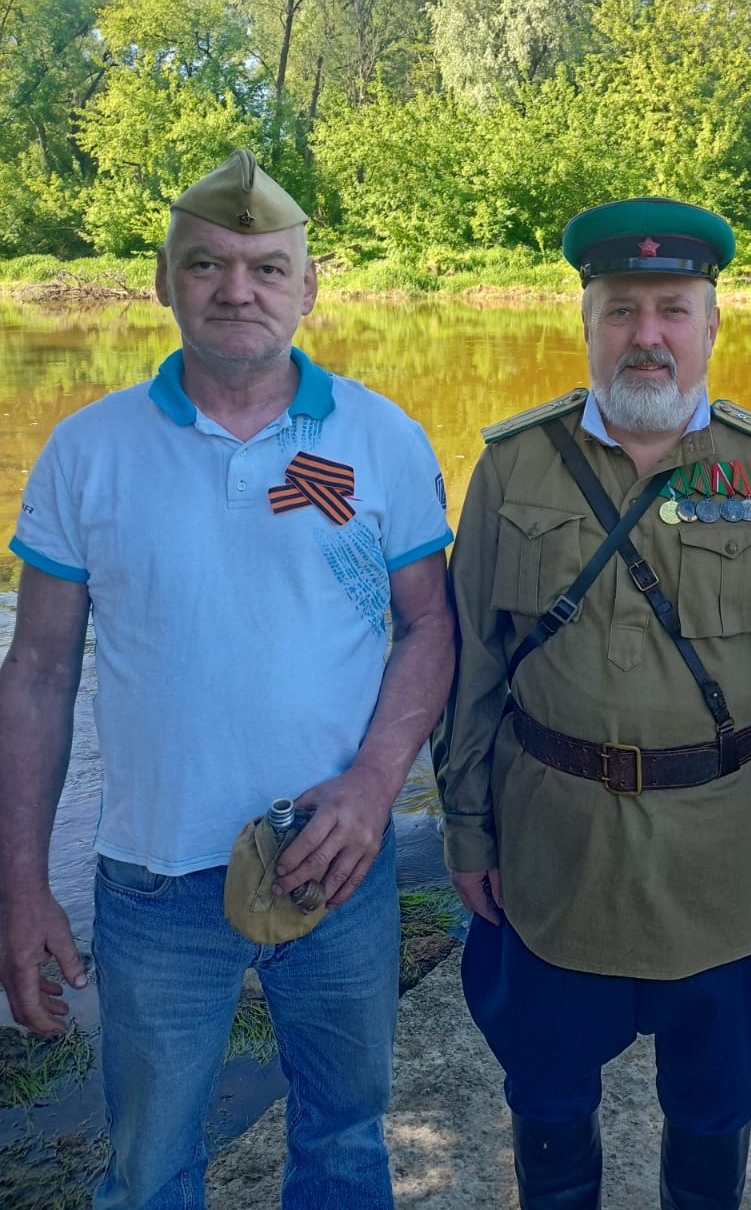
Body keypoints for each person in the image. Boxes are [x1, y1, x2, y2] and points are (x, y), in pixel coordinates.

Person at [0, 150, 456, 1210]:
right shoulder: (85, 450)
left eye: (266, 267)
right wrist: (21, 885)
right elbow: (38, 671)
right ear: (164, 280)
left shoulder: (382, 437)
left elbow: (430, 625)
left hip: (339, 860)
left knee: (344, 1139)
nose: (236, 289)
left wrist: (376, 784)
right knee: (150, 1167)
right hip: (152, 881)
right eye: (206, 264)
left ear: (309, 287)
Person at [433, 196, 751, 1210]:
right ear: (585, 323)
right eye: (621, 310)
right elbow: (470, 668)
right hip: (554, 859)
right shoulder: (513, 466)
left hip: (723, 869)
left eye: (673, 309)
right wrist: (466, 826)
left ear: (713, 325)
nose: (647, 335)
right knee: (547, 1101)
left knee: (713, 1113)